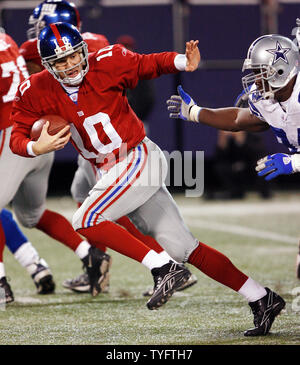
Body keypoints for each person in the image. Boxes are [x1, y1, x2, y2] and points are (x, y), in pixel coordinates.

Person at [9, 22, 285, 337]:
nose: (70, 65)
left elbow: (147, 64)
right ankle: (262, 297)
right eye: (60, 61)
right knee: (185, 247)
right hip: (110, 169)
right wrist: (35, 146)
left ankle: (162, 267)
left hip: (136, 157)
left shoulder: (107, 61)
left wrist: (183, 61)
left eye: (73, 56)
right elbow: (17, 134)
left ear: (83, 52)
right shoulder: (36, 89)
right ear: (48, 66)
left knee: (85, 217)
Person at [21, 0, 197, 296]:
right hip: (90, 140)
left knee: (108, 209)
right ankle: (97, 263)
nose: (37, 32)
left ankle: (167, 265)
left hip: (102, 146)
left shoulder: (78, 49)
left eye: (41, 26)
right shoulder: (89, 41)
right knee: (82, 193)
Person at [167, 32, 300, 277]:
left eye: (262, 72)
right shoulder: (269, 99)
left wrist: (294, 161)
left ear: (282, 70)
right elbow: (239, 119)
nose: (256, 80)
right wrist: (196, 112)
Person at [0, 27, 113, 302]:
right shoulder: (8, 40)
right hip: (41, 133)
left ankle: (1, 283)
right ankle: (90, 256)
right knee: (32, 214)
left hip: (14, 137)